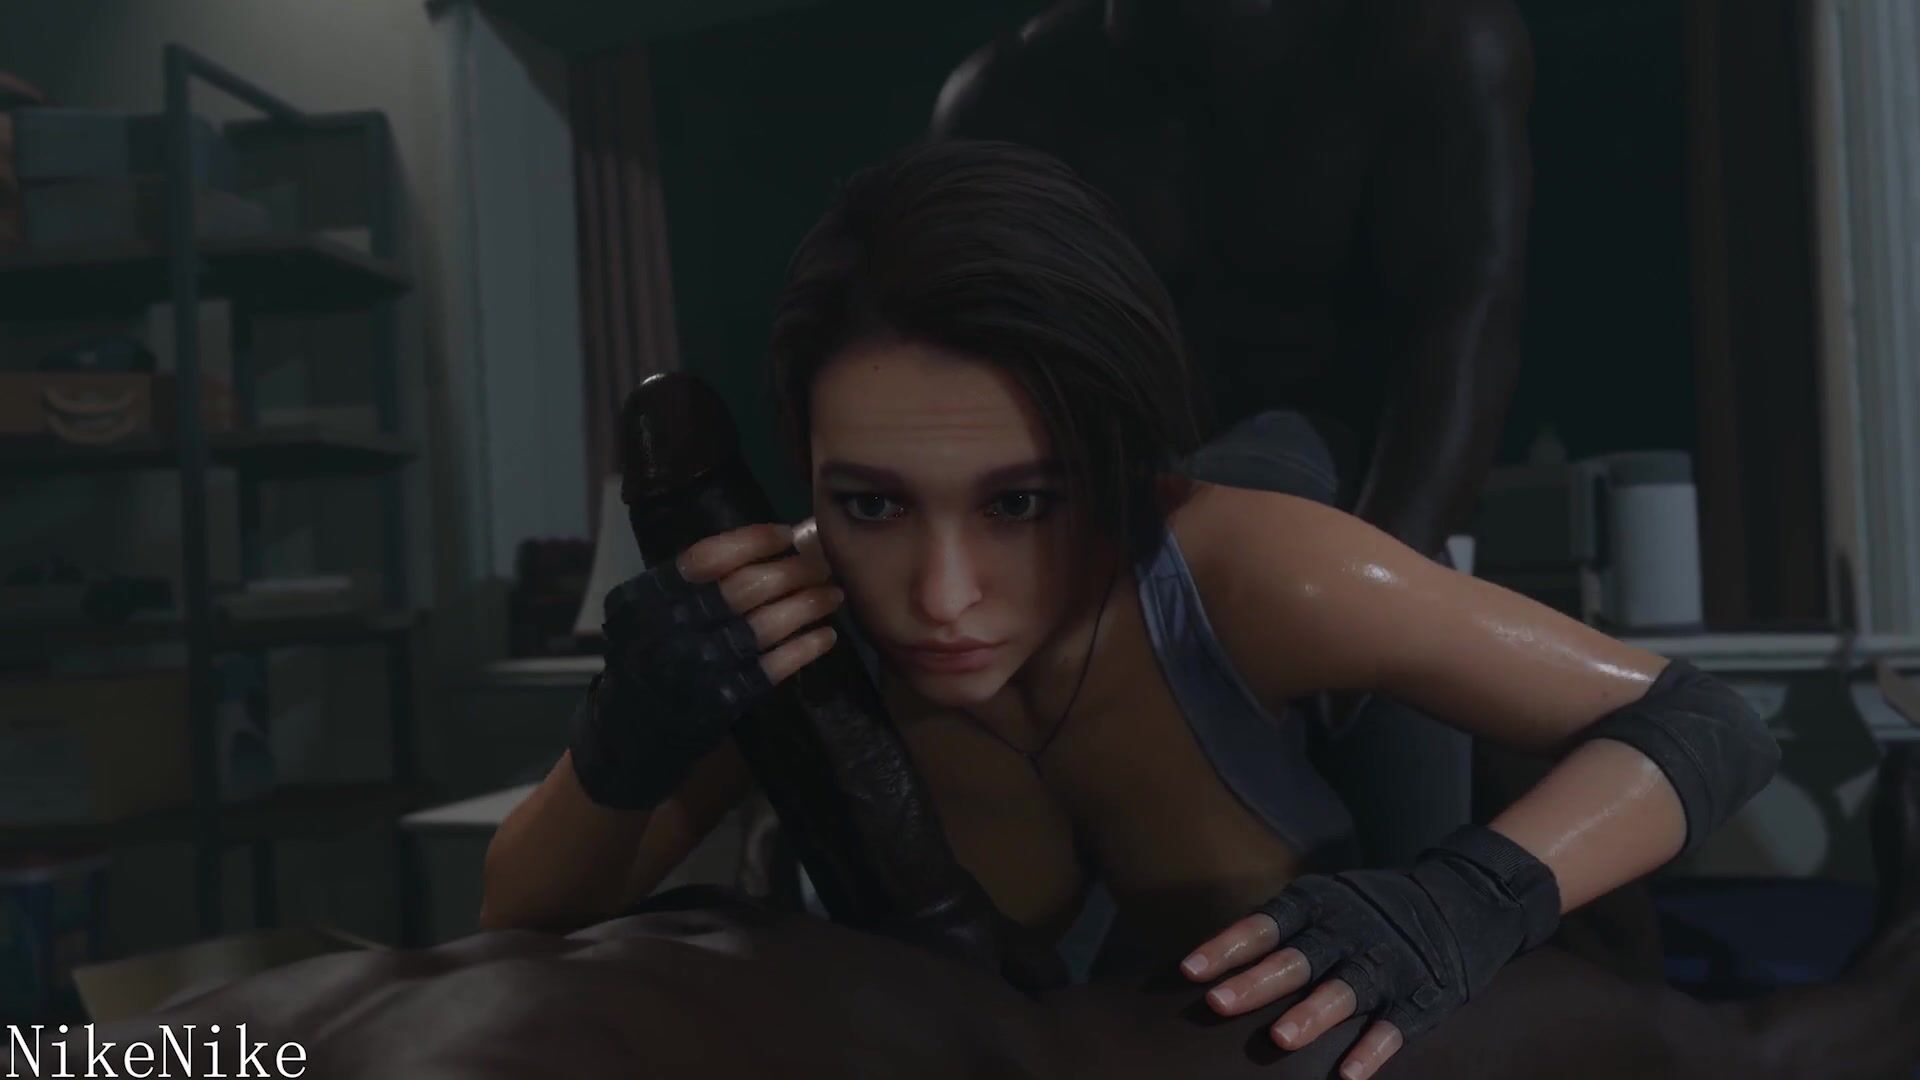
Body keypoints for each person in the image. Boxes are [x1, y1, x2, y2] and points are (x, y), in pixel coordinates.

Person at [482, 140, 1802, 1080]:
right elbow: (517, 919)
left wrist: (1469, 900)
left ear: (1111, 469)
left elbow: (1711, 724)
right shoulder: (791, 610)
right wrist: (624, 740)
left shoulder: (1267, 572)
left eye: (1022, 502)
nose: (942, 597)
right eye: (869, 503)